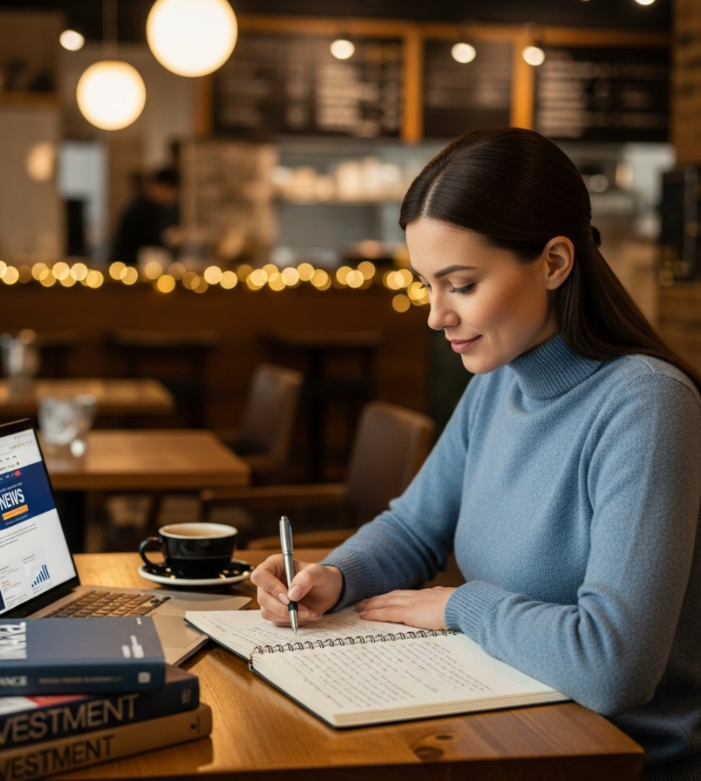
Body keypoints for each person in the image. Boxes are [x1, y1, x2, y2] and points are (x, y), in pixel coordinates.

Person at [252, 128, 701, 780]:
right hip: (508, 729)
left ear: (553, 262)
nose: (436, 316)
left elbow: (613, 667)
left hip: (619, 759)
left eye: (460, 285)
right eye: (428, 285)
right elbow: (413, 529)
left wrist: (462, 607)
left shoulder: (647, 406)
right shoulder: (499, 380)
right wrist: (336, 576)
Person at [111, 167, 181, 264]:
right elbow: (146, 240)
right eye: (169, 191)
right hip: (128, 267)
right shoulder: (139, 208)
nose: (171, 197)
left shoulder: (152, 207)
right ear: (159, 186)